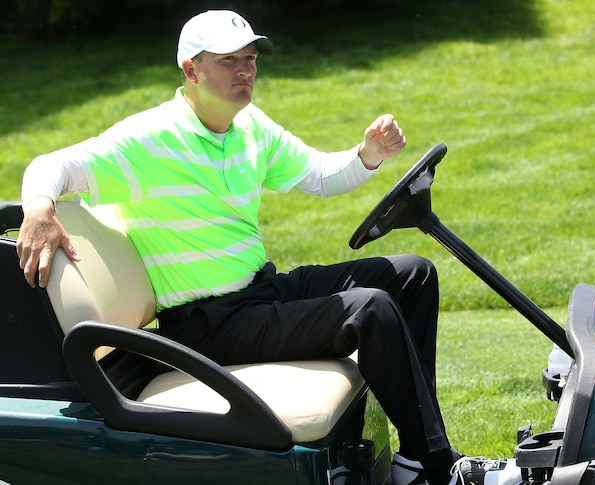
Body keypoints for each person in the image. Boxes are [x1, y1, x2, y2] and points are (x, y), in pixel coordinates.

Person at [16, 10, 517, 485]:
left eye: (250, 59)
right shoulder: (149, 139)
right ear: (191, 69)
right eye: (228, 61)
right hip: (207, 324)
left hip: (259, 293)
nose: (245, 72)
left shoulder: (248, 127)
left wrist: (369, 155)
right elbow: (51, 166)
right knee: (372, 310)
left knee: (411, 275)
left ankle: (413, 458)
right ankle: (438, 468)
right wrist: (39, 209)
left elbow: (320, 175)